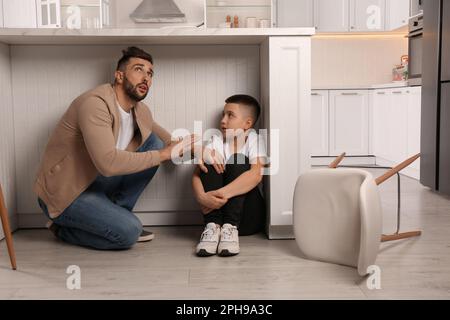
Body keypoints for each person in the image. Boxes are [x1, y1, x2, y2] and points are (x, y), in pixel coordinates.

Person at [34, 46, 194, 250]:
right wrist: (163, 154)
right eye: (138, 69)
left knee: (153, 142)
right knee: (129, 233)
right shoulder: (95, 104)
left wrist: (204, 151)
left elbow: (169, 142)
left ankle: (113, 218)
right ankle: (63, 229)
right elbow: (108, 164)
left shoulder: (140, 110)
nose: (146, 78)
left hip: (95, 183)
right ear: (119, 76)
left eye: (150, 73)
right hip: (67, 194)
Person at [192, 94, 267, 257]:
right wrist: (201, 197)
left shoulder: (254, 139)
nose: (223, 121)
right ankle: (213, 228)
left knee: (237, 160)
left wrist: (220, 195)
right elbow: (197, 175)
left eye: (230, 115)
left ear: (247, 123)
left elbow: (256, 175)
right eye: (223, 115)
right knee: (209, 159)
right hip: (216, 214)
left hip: (247, 219)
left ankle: (230, 228)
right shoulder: (217, 140)